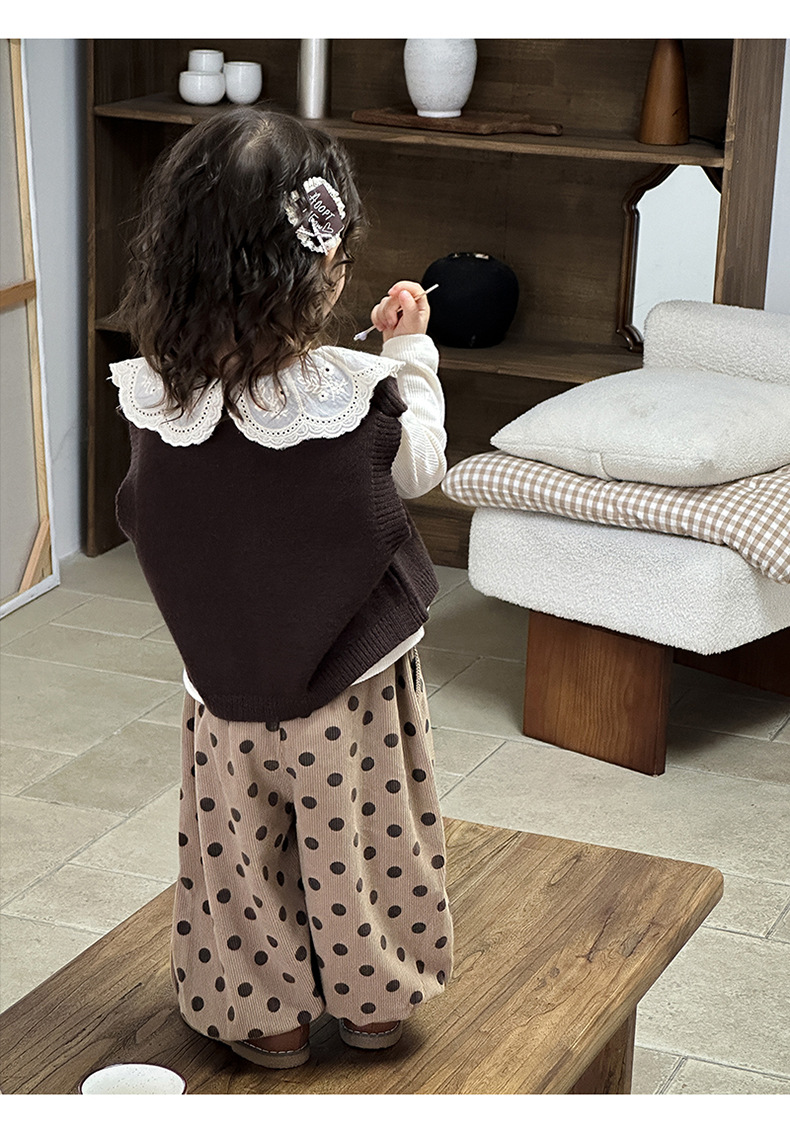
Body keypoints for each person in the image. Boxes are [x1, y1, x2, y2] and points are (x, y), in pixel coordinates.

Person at [111, 107, 453, 1069]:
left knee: (237, 855)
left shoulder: (156, 395)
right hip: (355, 684)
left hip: (224, 684)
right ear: (320, 272)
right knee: (363, 841)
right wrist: (410, 358)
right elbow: (419, 464)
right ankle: (374, 1001)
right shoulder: (355, 390)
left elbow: (169, 506)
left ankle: (264, 1015)